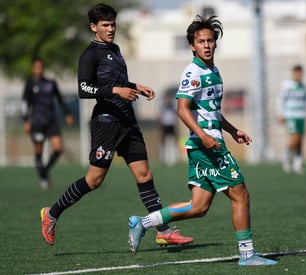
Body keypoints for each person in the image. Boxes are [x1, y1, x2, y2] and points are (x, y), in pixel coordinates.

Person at [127, 15, 277, 266]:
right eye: (201, 41)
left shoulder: (213, 71)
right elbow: (182, 108)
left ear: (215, 43)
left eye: (210, 40)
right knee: (241, 195)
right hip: (206, 145)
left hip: (207, 142)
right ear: (192, 45)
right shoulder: (193, 72)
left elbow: (212, 112)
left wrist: (231, 129)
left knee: (198, 207)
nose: (206, 45)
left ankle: (142, 223)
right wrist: (205, 136)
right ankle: (247, 255)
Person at [39, 3, 193, 248]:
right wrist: (116, 90)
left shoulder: (116, 49)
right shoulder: (90, 54)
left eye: (113, 25)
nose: (111, 29)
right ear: (94, 27)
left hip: (127, 121)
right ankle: (52, 214)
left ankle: (162, 230)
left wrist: (135, 86)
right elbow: (83, 89)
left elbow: (118, 82)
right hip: (106, 123)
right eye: (105, 25)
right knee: (94, 180)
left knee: (145, 174)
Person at [22, 57, 74, 190]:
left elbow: (60, 99)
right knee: (38, 153)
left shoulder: (51, 83)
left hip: (51, 121)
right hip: (37, 122)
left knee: (58, 148)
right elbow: (25, 104)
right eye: (36, 67)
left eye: (40, 66)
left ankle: (44, 170)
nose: (38, 69)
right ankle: (44, 178)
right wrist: (26, 121)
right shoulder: (29, 84)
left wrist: (67, 114)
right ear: (33, 68)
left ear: (43, 68)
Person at [277, 64, 306, 174]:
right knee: (294, 139)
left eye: (300, 73)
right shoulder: (287, 85)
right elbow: (280, 100)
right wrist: (280, 114)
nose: (298, 75)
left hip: (301, 116)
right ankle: (286, 158)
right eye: (296, 73)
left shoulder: (304, 87)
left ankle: (297, 164)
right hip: (291, 115)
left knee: (300, 141)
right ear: (293, 73)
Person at [159, 92, 179, 166]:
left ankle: (174, 158)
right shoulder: (163, 107)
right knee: (163, 142)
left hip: (172, 125)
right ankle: (163, 158)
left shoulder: (173, 107)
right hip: (165, 126)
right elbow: (160, 117)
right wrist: (160, 127)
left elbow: (176, 117)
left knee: (174, 142)